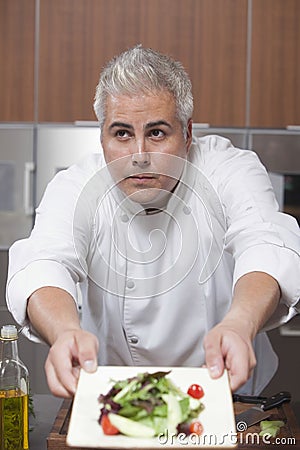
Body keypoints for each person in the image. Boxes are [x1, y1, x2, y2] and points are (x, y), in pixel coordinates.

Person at [6, 46, 300, 399]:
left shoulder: (229, 168)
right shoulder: (77, 184)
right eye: (122, 134)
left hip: (229, 390)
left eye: (157, 133)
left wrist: (239, 324)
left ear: (188, 134)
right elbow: (46, 261)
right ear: (102, 138)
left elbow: (264, 243)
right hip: (116, 392)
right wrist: (66, 331)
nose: (139, 156)